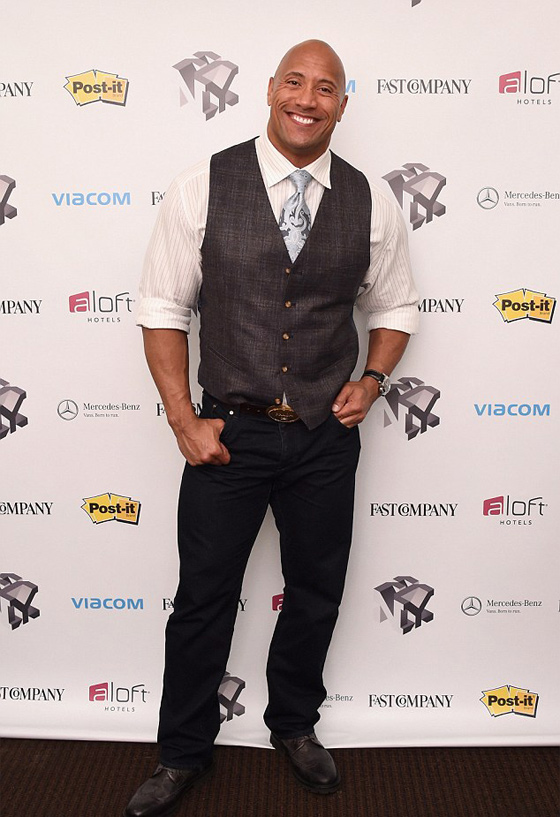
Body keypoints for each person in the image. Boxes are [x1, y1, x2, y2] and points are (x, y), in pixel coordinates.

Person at [124, 39, 419, 817]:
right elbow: (162, 308)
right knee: (203, 598)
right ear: (269, 90)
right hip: (229, 432)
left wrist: (372, 379)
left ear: (342, 105)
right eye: (295, 82)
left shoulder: (370, 199)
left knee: (315, 590)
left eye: (325, 88)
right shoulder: (203, 185)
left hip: (324, 436)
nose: (307, 99)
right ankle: (182, 751)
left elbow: (395, 305)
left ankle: (294, 723)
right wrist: (183, 420)